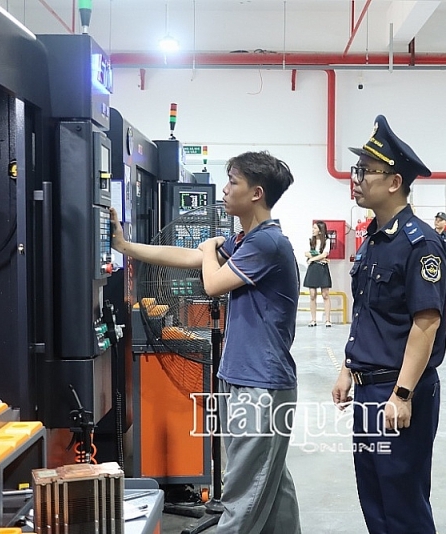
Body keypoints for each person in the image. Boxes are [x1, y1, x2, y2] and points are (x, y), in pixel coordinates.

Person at [110, 151, 302, 534]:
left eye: (233, 182)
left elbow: (212, 283)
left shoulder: (268, 243)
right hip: (242, 377)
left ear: (256, 193)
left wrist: (212, 250)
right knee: (270, 484)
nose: (226, 189)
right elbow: (188, 256)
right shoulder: (247, 241)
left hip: (260, 384)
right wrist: (127, 247)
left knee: (242, 496)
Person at [331, 115, 446, 533]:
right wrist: (349, 367)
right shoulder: (374, 239)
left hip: (396, 391)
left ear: (395, 182)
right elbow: (369, 312)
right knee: (375, 498)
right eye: (356, 169)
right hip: (368, 388)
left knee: (403, 502)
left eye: (365, 170)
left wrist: (402, 393)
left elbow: (426, 323)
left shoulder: (420, 243)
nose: (356, 178)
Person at [303, 220, 333, 327]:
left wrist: (313, 258)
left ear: (320, 230)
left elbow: (324, 254)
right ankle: (313, 319)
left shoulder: (327, 241)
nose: (313, 230)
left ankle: (328, 320)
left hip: (322, 268)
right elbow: (307, 253)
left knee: (325, 294)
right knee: (312, 295)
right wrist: (314, 258)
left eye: (315, 228)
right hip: (313, 268)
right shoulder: (311, 241)